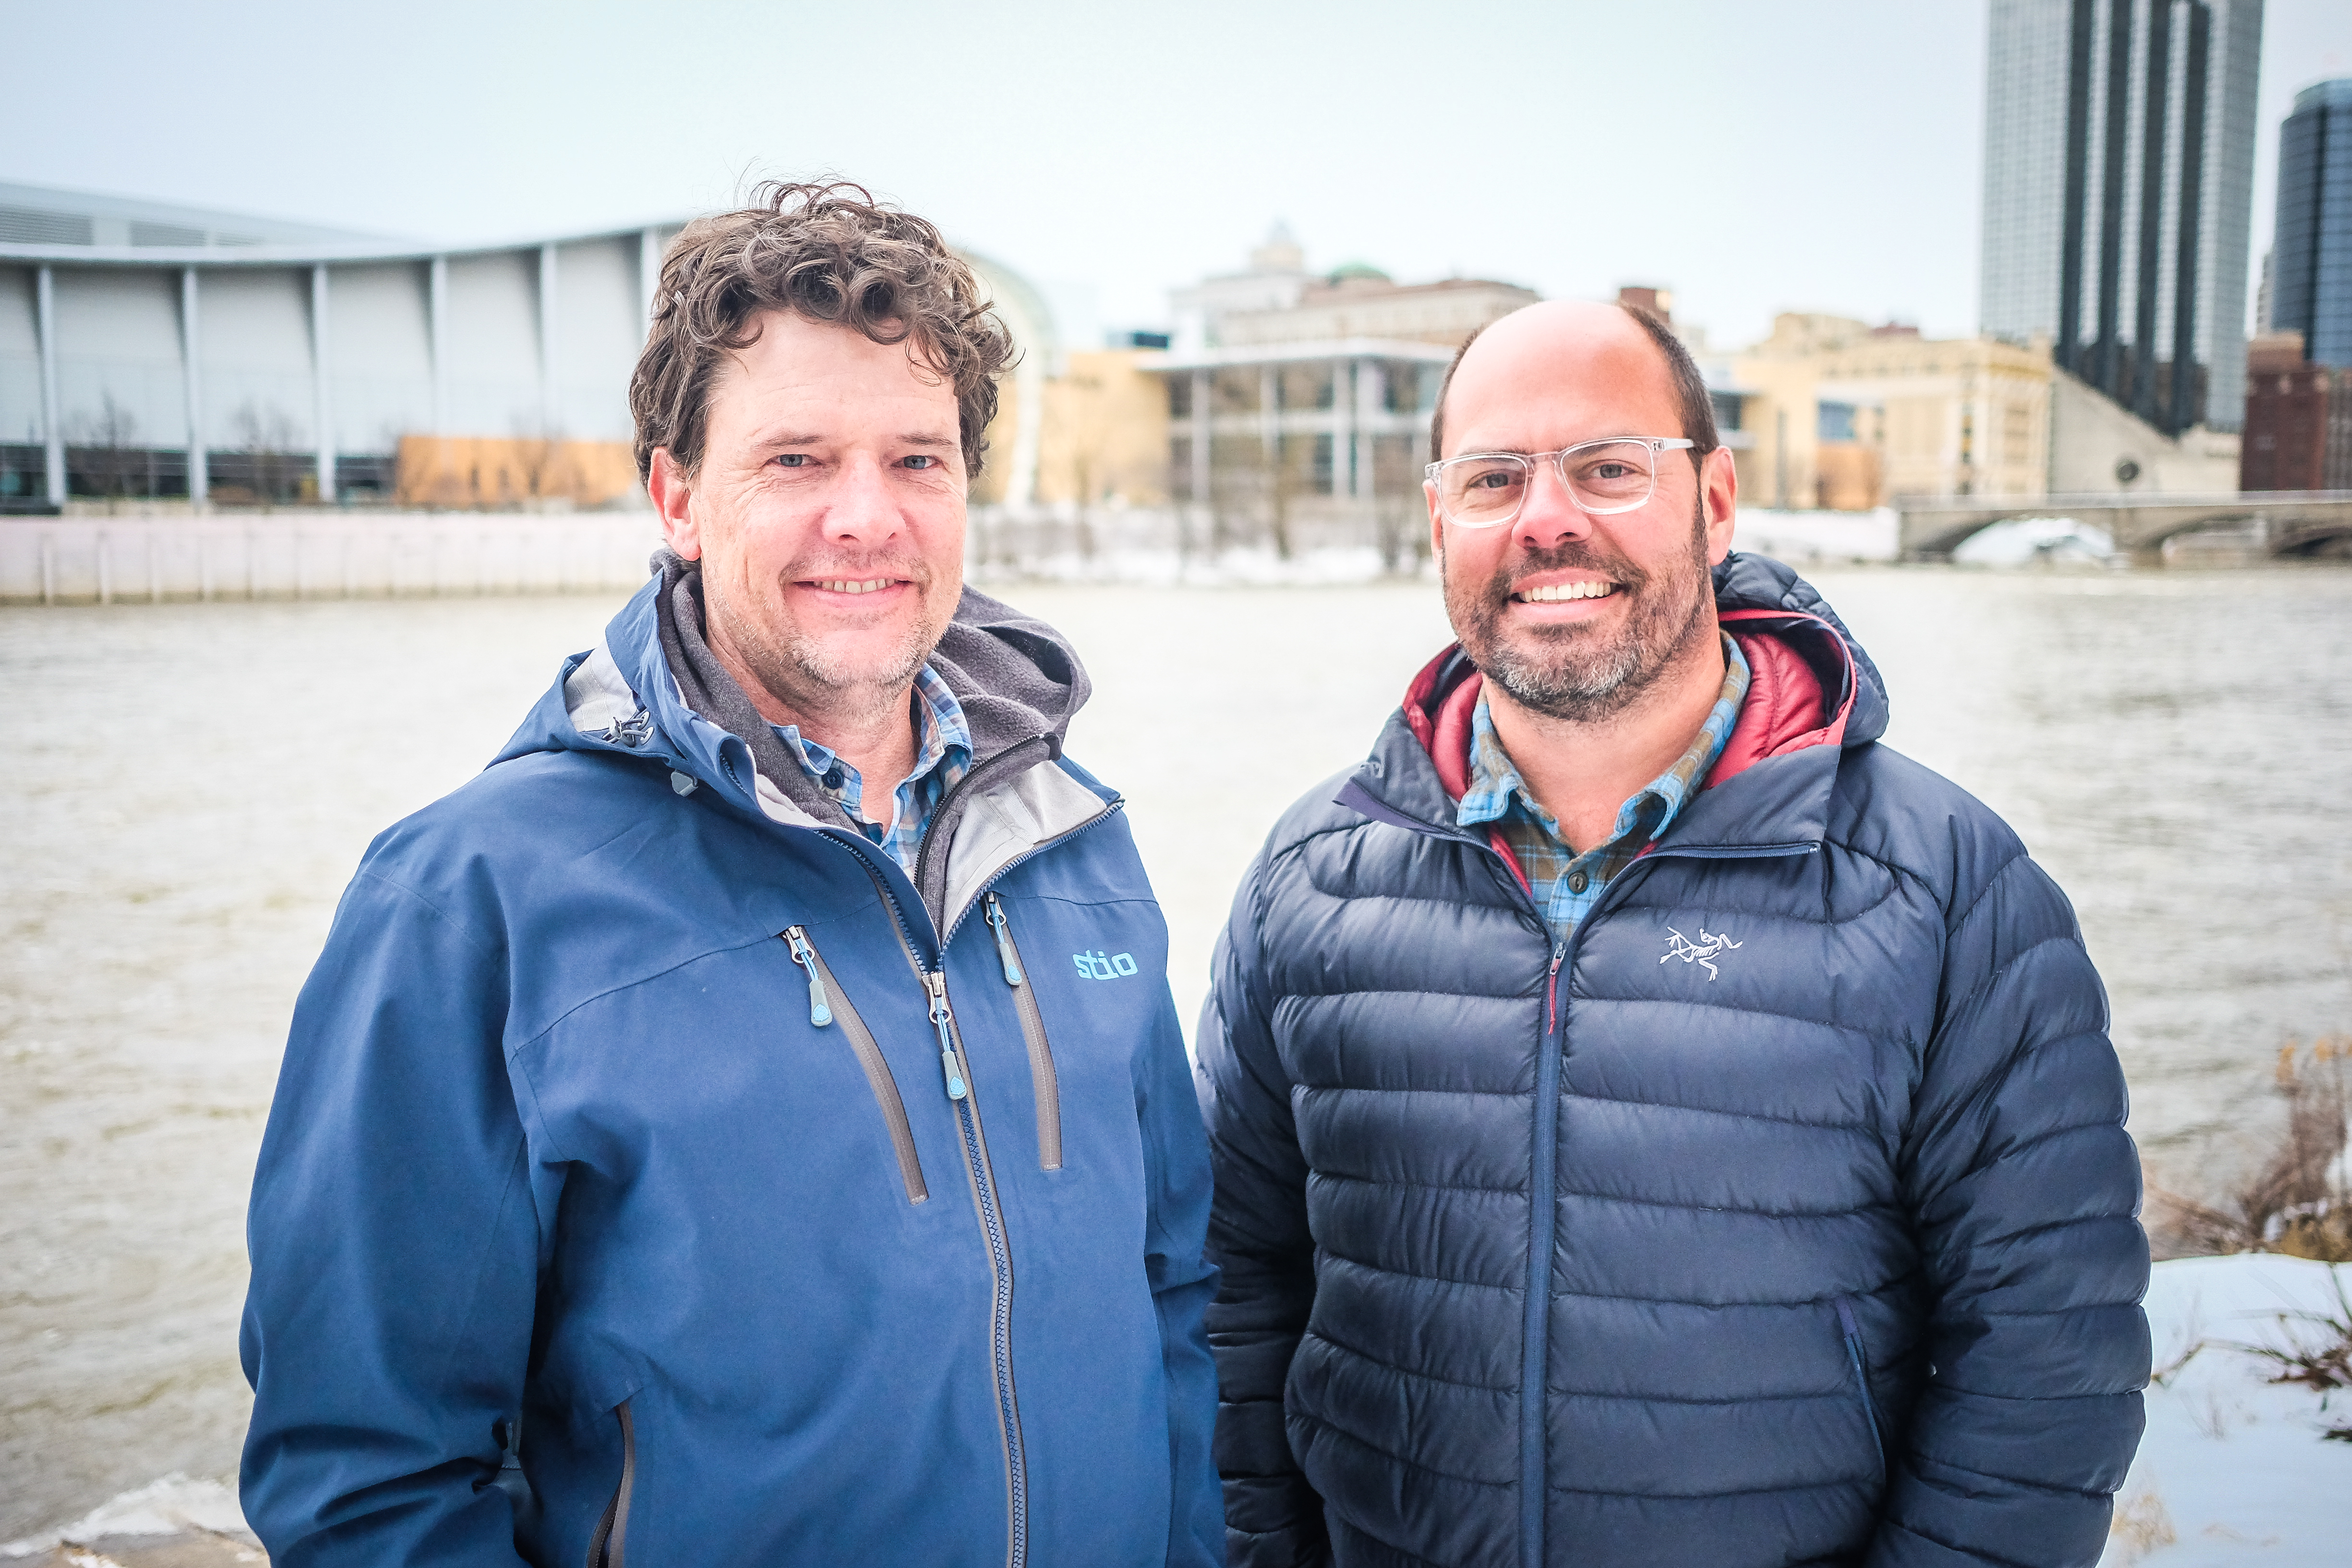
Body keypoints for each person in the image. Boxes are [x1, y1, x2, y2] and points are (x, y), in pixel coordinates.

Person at [240, 183, 1221, 1568]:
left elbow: (1172, 1299)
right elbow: (369, 1475)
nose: (867, 518)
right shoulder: (474, 900)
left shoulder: (1076, 840)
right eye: (798, 460)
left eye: (917, 461)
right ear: (678, 496)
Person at [1197, 299, 2148, 1568]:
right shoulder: (1313, 880)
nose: (1548, 522)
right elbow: (1229, 1294)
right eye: (1494, 479)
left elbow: (2048, 1350)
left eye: (1608, 467)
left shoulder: (1945, 887)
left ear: (1715, 499)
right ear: (1441, 524)